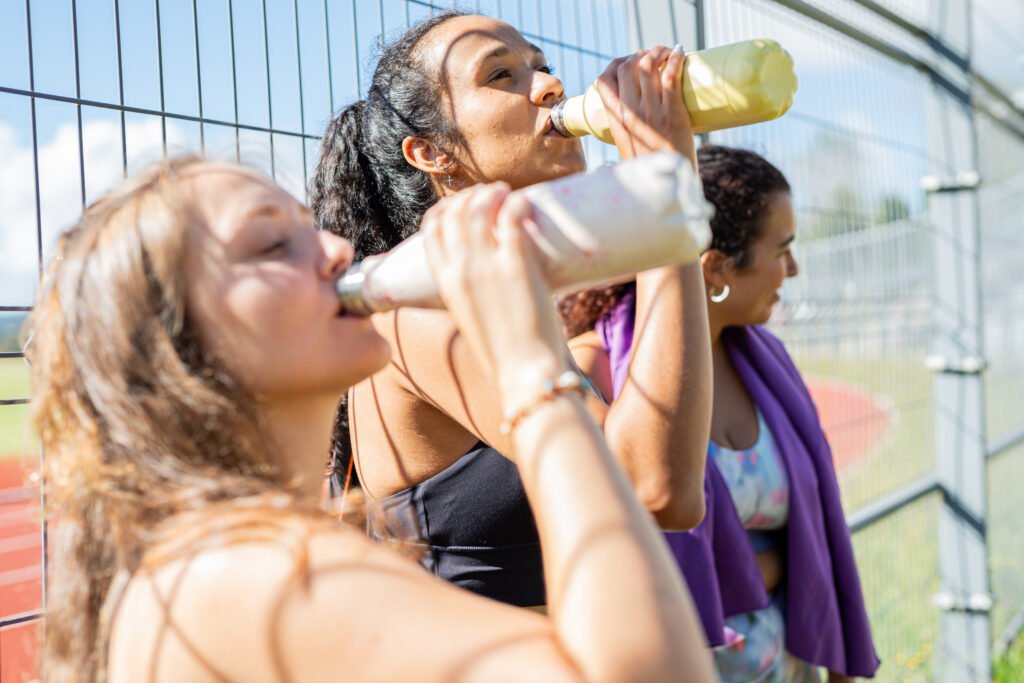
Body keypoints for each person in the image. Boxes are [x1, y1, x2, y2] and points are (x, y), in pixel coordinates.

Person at [27, 157, 715, 683]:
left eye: (309, 225)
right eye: (272, 246)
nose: (332, 247)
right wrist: (529, 366)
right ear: (173, 347)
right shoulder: (241, 569)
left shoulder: (221, 555)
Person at [312, 10, 712, 608]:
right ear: (431, 152)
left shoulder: (486, 294)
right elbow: (655, 488)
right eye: (501, 75)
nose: (550, 86)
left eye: (544, 67)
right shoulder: (420, 305)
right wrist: (662, 196)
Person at [565, 145, 880, 681]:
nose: (794, 269)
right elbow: (609, 556)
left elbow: (815, 527)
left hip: (789, 664)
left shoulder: (765, 362)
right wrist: (775, 566)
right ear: (713, 270)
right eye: (782, 249)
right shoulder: (595, 371)